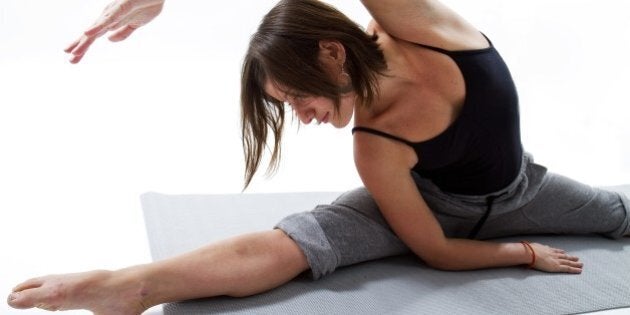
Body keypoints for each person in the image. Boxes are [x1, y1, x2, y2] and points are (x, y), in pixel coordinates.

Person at [8, 0, 630, 313]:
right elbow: (435, 251)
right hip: (433, 210)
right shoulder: (374, 147)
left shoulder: (421, 28)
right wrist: (522, 254)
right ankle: (130, 286)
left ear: (332, 53)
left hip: (527, 190)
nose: (303, 117)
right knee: (307, 238)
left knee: (614, 210)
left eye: (297, 97)